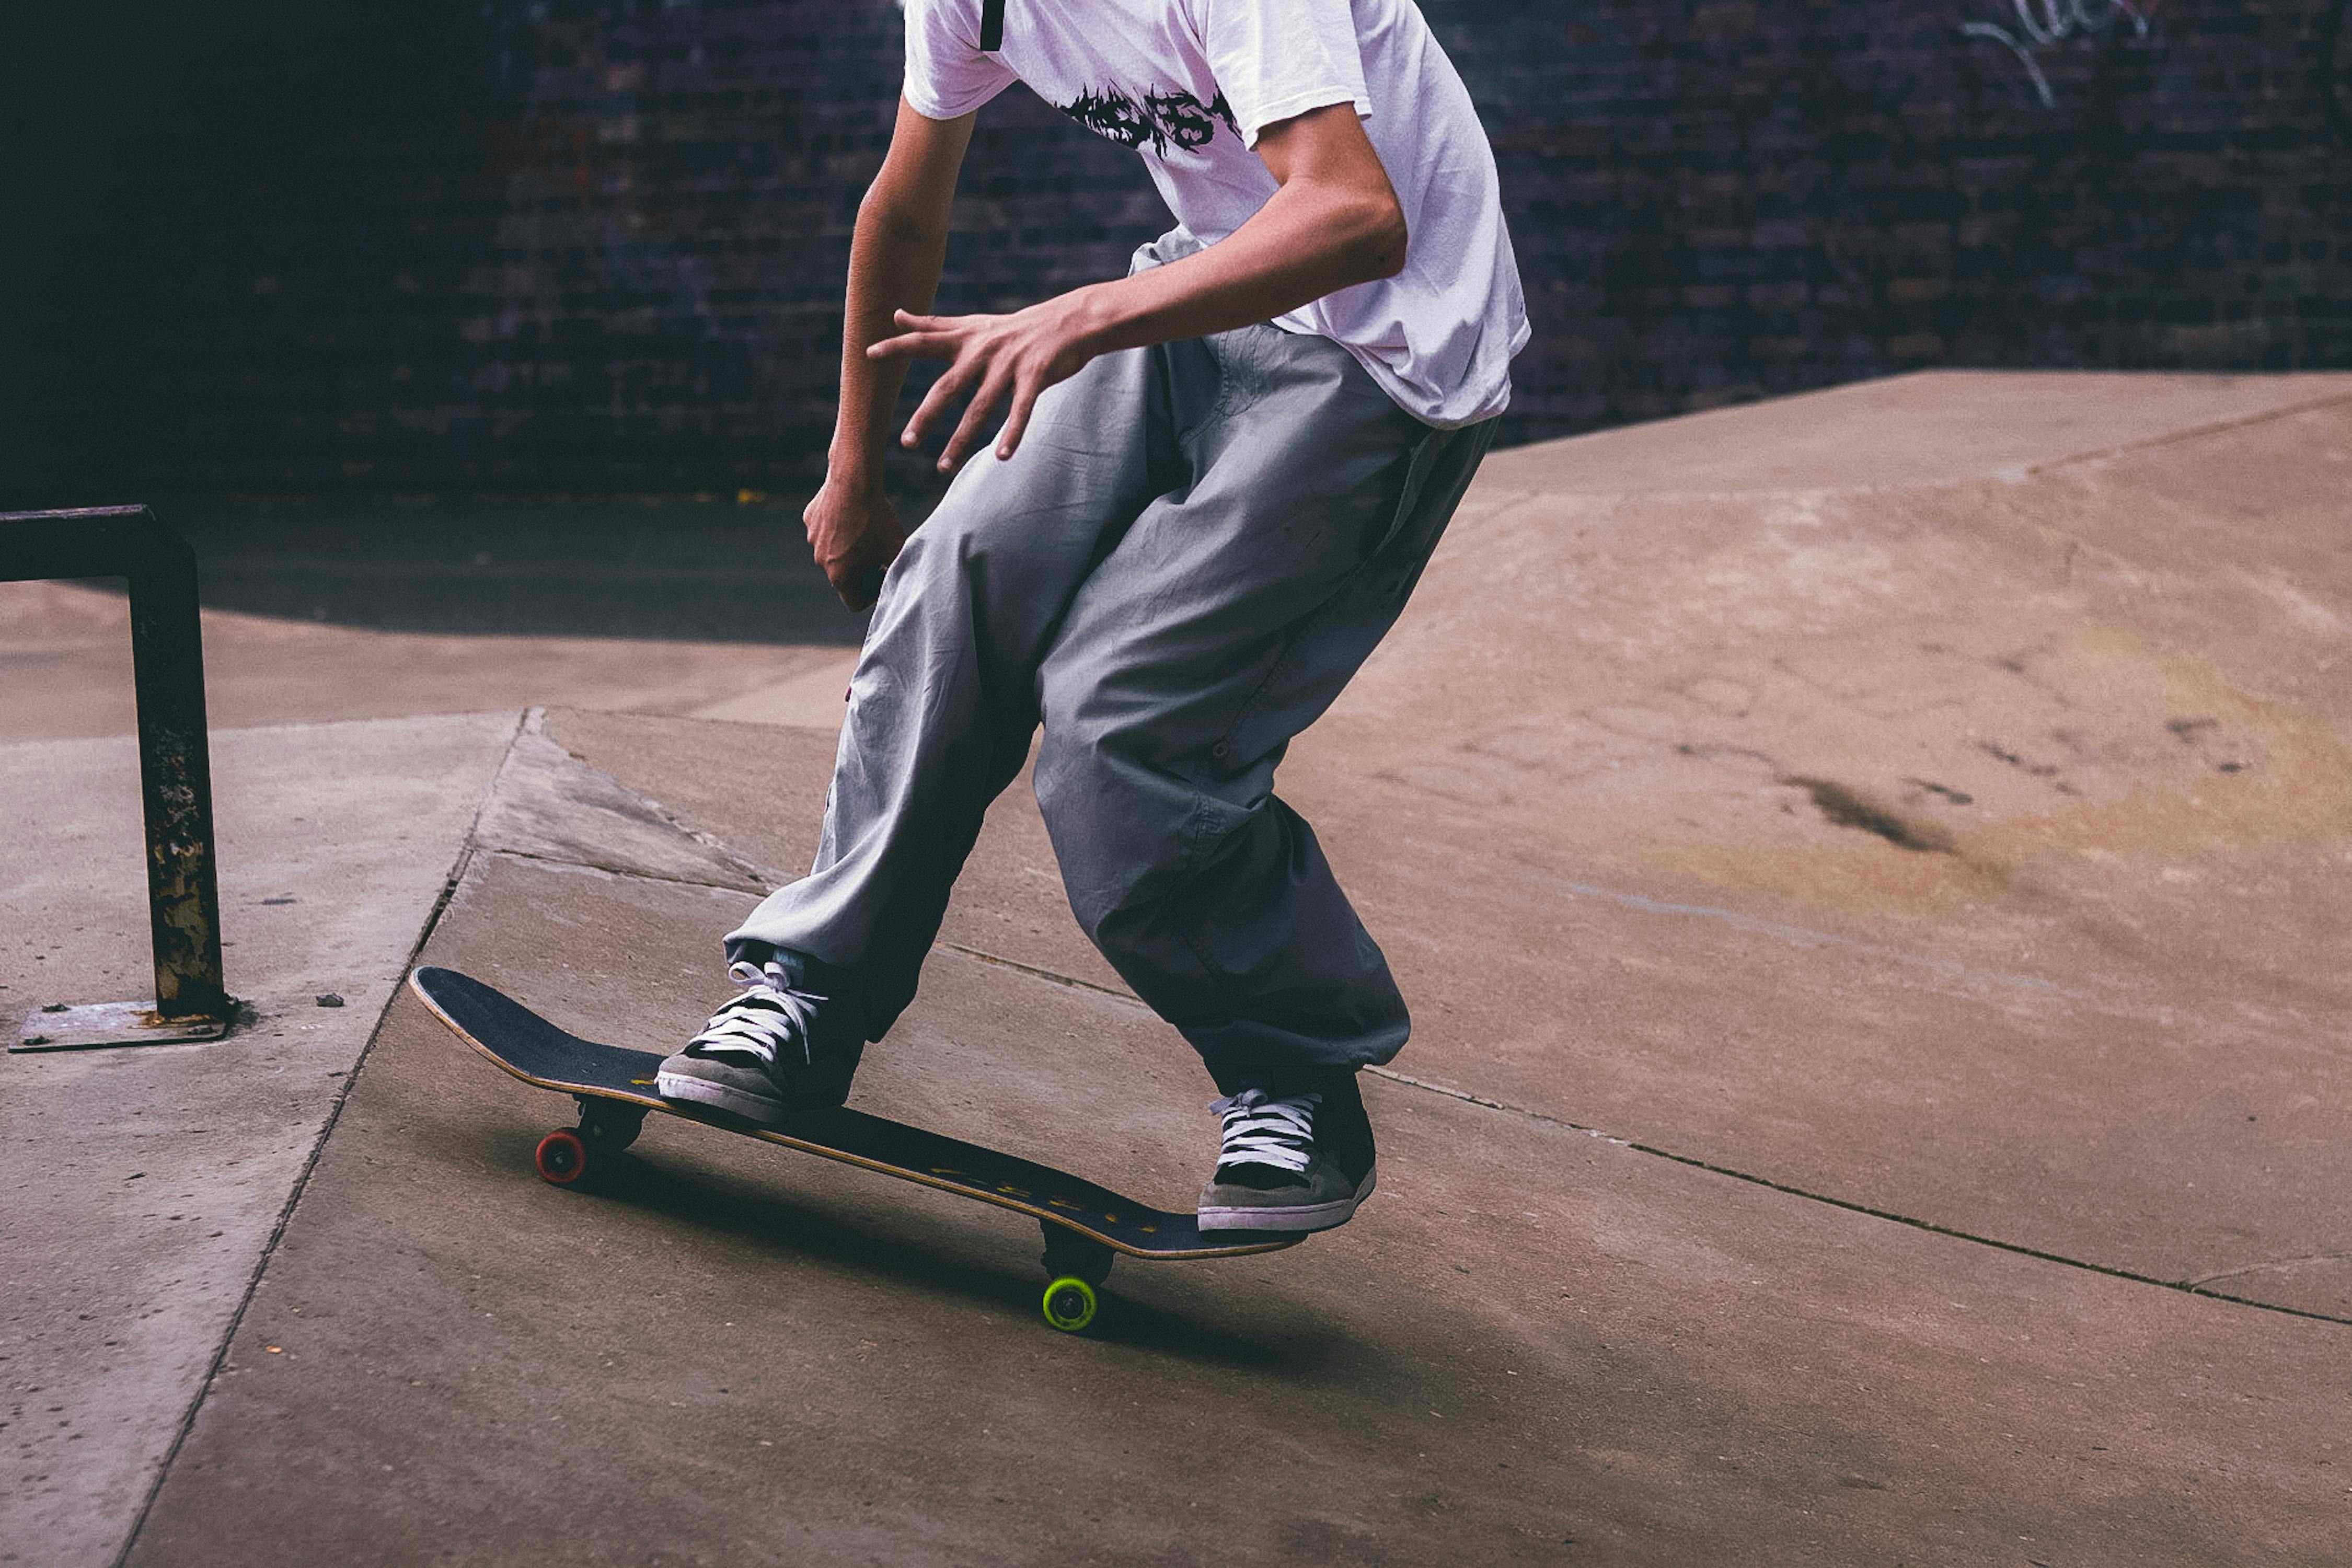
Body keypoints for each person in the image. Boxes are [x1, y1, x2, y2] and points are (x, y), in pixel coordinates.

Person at [656, 0, 1525, 1234]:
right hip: (1208, 295)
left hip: (1385, 354)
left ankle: (1294, 1071)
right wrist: (856, 461)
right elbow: (903, 205)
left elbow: (1354, 214)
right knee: (959, 574)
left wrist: (1076, 315)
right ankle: (812, 987)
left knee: (1119, 729)